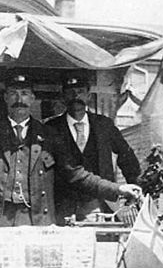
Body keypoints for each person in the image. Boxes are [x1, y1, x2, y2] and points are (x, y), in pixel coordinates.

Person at [0, 72, 141, 227]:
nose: (19, 100)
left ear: (33, 98)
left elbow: (76, 174)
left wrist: (119, 188)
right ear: (5, 97)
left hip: (37, 220)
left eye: (25, 93)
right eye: (13, 93)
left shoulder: (49, 135)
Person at [45, 73, 141, 224]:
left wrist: (135, 186)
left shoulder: (104, 125)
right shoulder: (51, 128)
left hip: (99, 204)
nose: (76, 96)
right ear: (63, 97)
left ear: (88, 96)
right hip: (64, 206)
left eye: (80, 92)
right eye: (70, 93)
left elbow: (126, 156)